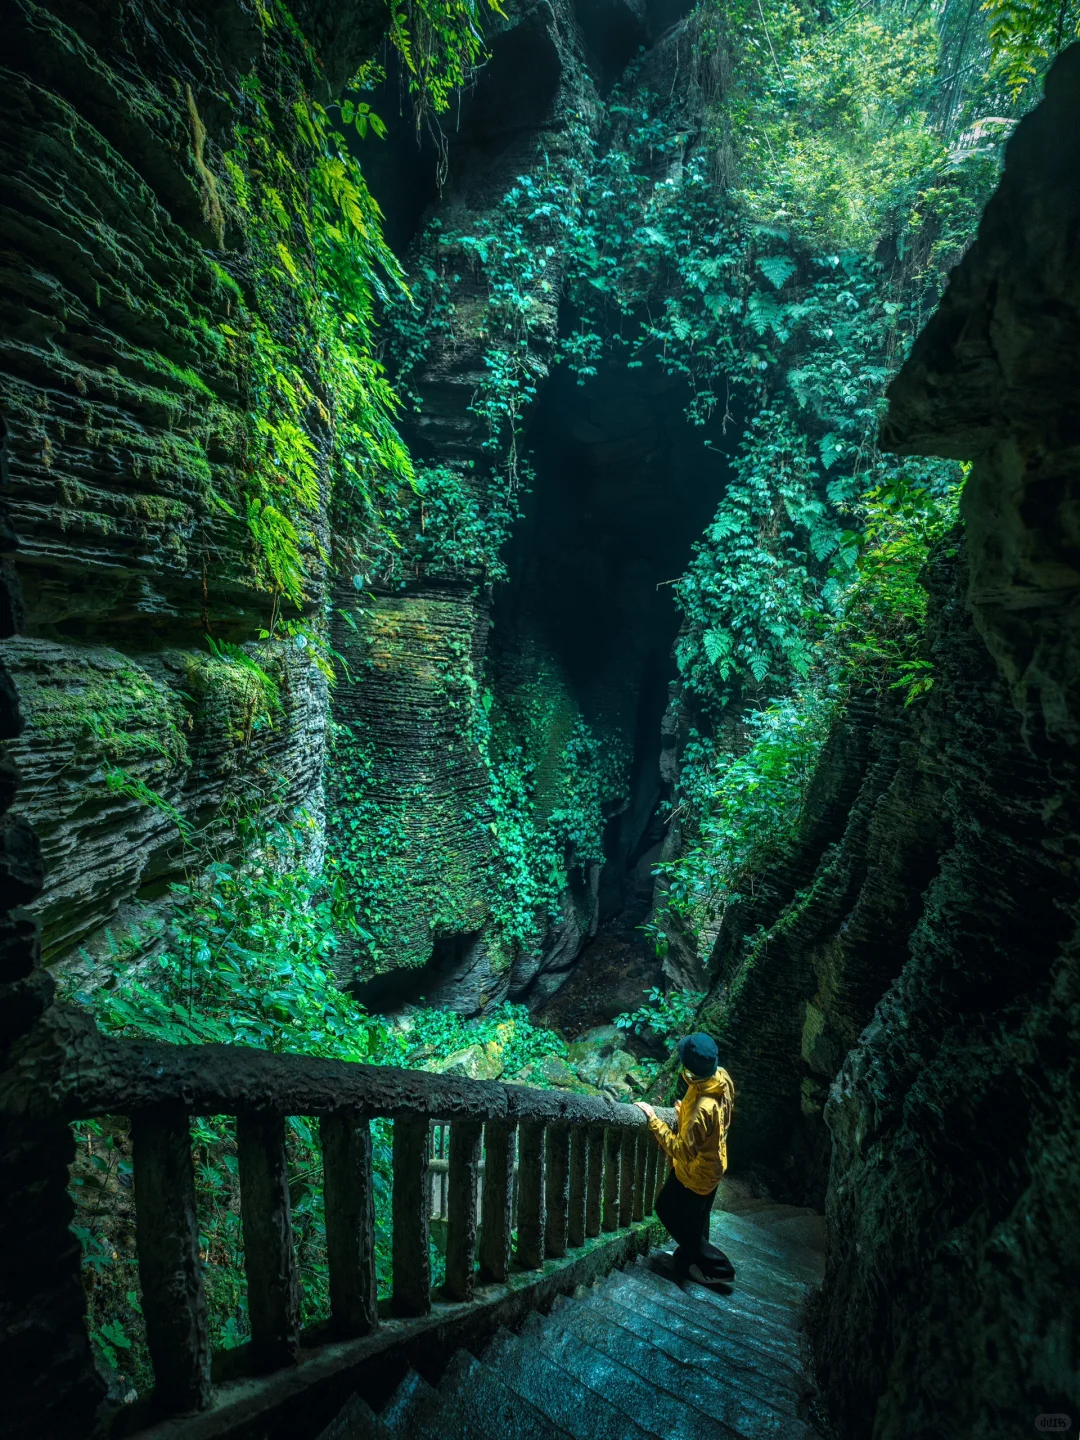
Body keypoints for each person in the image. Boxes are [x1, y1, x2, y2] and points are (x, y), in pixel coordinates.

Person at [634, 1032, 736, 1287]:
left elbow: (683, 1151)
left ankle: (717, 1266)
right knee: (698, 1218)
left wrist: (655, 1122)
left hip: (696, 1174)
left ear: (690, 1066)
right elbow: (718, 1120)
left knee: (667, 1211)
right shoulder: (721, 1077)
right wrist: (685, 1118)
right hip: (715, 1164)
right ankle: (687, 1259)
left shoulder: (701, 1108)